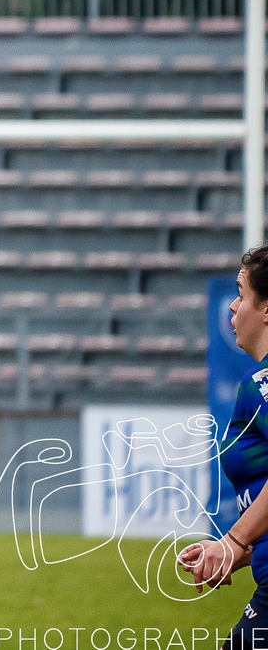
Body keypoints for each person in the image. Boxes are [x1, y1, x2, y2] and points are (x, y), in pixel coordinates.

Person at [182, 243, 268, 648]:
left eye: (241, 294)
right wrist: (237, 550)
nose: (232, 307)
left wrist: (233, 541)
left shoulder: (263, 385)